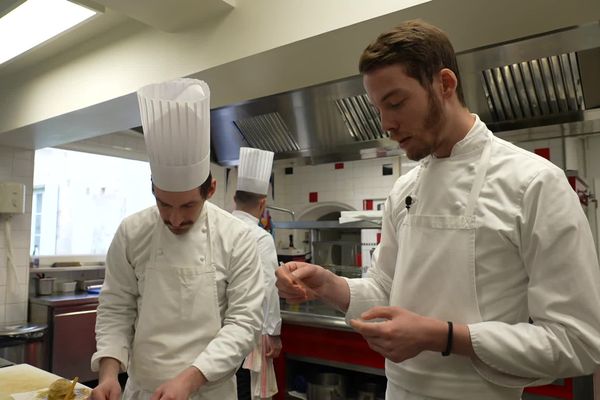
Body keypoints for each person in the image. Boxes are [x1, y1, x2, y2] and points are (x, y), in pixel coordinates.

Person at [275, 19, 600, 400]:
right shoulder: (405, 188)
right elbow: (385, 290)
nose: (386, 125)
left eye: (396, 103)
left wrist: (443, 336)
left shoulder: (535, 182)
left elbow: (578, 342)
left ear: (445, 84)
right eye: (378, 108)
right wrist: (329, 285)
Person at [91, 78, 264, 400]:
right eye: (164, 204)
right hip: (141, 390)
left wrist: (189, 380)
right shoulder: (132, 231)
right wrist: (109, 373)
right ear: (153, 189)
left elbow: (244, 322)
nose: (175, 218)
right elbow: (116, 307)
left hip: (208, 391)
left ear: (210, 190)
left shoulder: (237, 237)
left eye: (188, 205)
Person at [233, 147, 282, 400]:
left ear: (234, 199)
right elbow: (269, 287)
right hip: (248, 333)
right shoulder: (261, 238)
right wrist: (273, 334)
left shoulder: (220, 228)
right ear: (262, 204)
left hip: (218, 335)